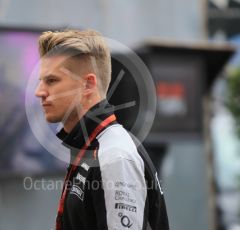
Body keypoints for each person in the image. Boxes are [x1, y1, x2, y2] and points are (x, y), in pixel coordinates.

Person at [35, 29, 169, 230]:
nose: (39, 92)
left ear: (88, 85)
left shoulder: (114, 156)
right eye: (40, 81)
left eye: (52, 80)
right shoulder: (90, 146)